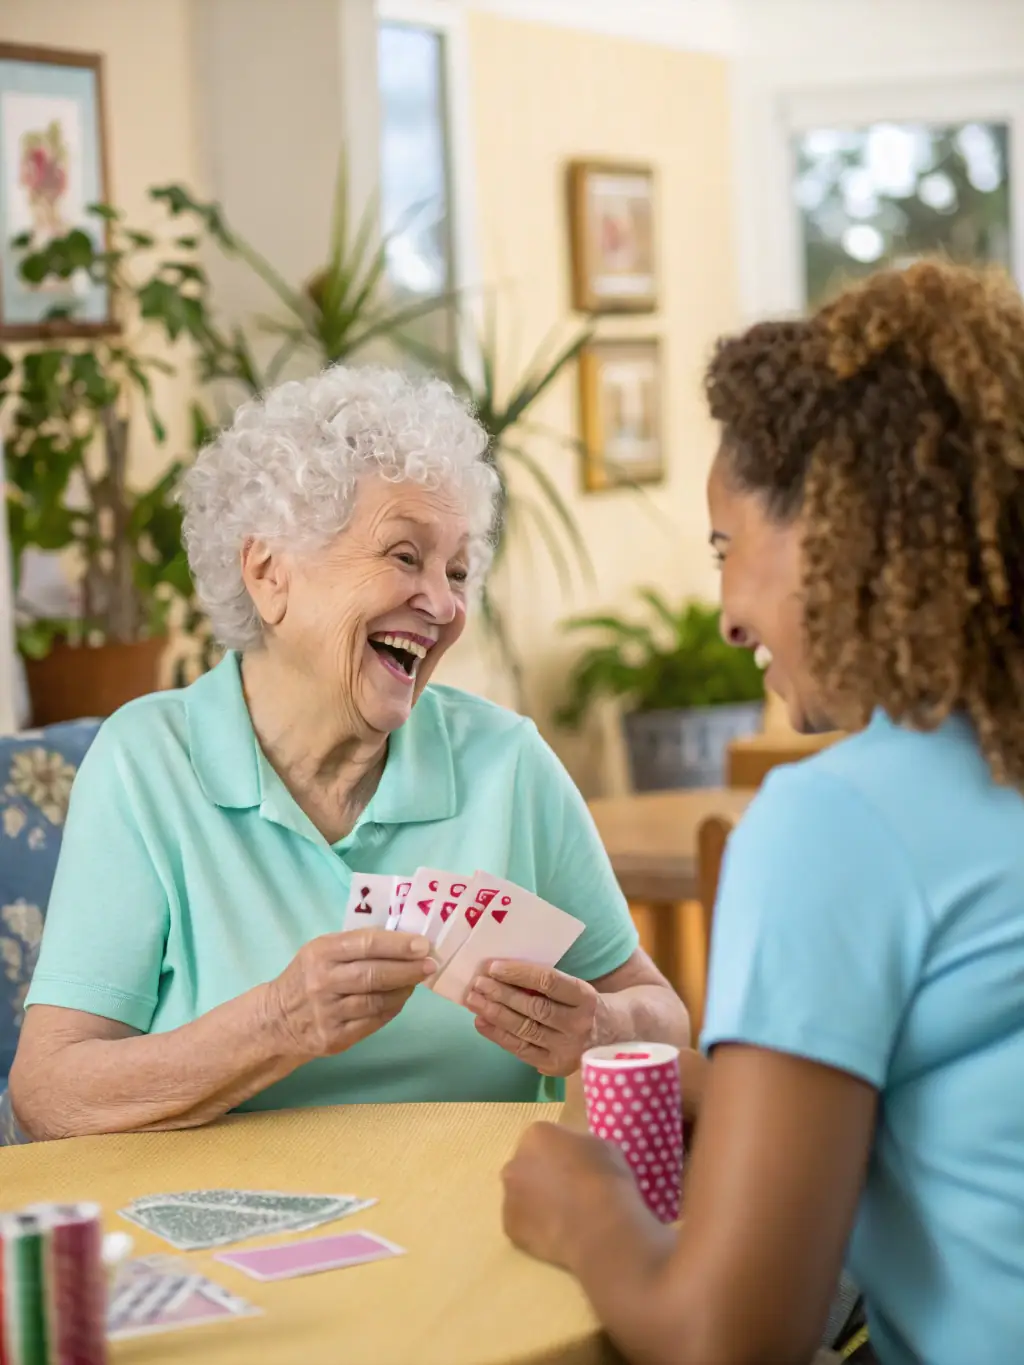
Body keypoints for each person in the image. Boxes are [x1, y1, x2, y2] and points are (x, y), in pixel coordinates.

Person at [501, 259, 1024, 1365]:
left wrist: (583, 1207)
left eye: (728, 549)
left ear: (839, 535)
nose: (730, 616)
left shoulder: (835, 821)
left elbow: (727, 1340)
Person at [10, 366, 686, 1140]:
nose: (443, 603)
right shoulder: (148, 763)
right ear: (268, 574)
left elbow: (663, 1013)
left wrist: (599, 1025)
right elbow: (51, 1093)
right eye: (405, 557)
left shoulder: (510, 766)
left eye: (457, 569)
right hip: (233, 1233)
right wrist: (276, 1022)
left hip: (476, 1219)